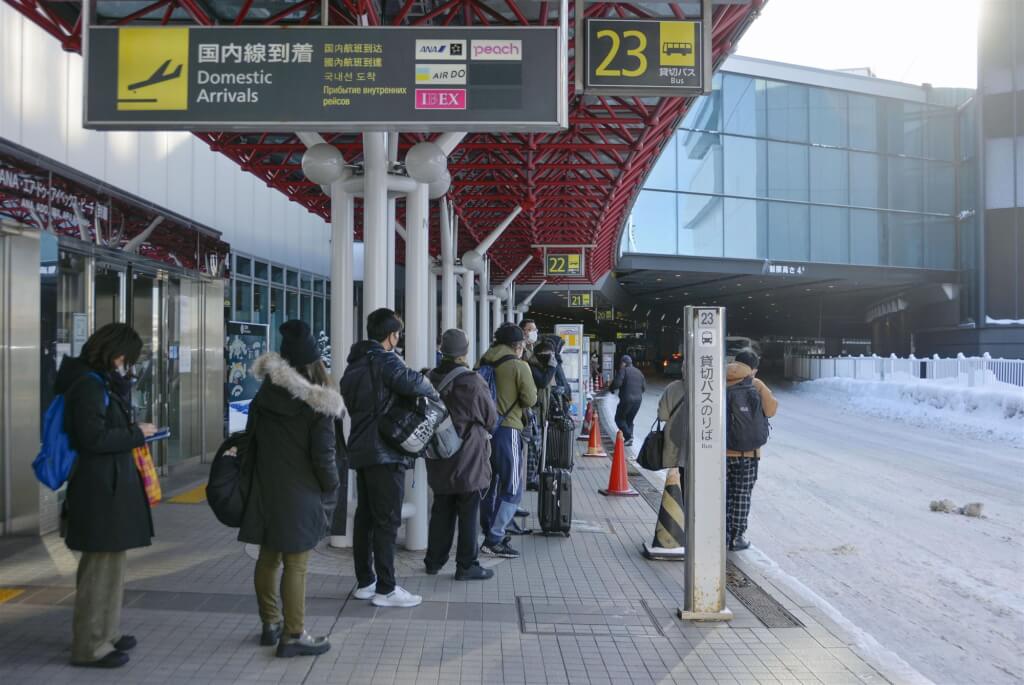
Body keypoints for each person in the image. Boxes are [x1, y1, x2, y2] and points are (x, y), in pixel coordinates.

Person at [239, 321, 341, 658]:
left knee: (268, 558)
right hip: (301, 492)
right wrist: (332, 486)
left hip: (266, 487)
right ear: (315, 364)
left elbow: (249, 442)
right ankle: (294, 634)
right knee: (296, 565)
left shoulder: (264, 395)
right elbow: (324, 456)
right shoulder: (319, 402)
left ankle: (271, 624)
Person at [59, 323, 157, 668]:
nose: (125, 365)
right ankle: (89, 646)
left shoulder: (100, 383)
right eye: (124, 359)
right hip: (97, 489)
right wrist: (136, 433)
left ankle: (107, 632)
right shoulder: (87, 386)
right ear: (113, 353)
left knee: (113, 566)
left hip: (109, 486)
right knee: (98, 571)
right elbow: (93, 439)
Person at [341, 308, 437, 608]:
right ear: (391, 336)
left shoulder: (353, 364)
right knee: (387, 520)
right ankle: (387, 588)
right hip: (384, 450)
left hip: (360, 447)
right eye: (398, 334)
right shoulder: (385, 361)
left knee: (366, 517)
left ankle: (366, 581)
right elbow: (421, 386)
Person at [424, 329, 498, 580]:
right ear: (465, 351)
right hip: (468, 457)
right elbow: (490, 418)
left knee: (441, 509)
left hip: (438, 454)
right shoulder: (473, 381)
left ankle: (433, 561)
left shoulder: (430, 378)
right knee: (468, 512)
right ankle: (467, 565)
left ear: (442, 349)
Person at [478, 323, 537, 559]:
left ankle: (487, 529)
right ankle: (494, 538)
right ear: (518, 345)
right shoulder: (518, 365)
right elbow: (530, 398)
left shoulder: (483, 361)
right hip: (508, 429)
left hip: (484, 432)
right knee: (512, 487)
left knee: (489, 485)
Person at [725, 350, 778, 551]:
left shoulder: (718, 380)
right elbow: (771, 410)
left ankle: (723, 532)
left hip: (721, 452)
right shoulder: (756, 384)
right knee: (742, 494)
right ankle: (737, 537)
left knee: (724, 494)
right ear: (753, 368)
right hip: (749, 454)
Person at [524, 339, 559, 489]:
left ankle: (532, 476)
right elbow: (543, 382)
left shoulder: (541, 365)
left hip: (540, 415)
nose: (551, 358)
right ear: (540, 354)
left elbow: (547, 391)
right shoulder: (531, 366)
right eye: (549, 354)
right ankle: (529, 479)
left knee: (537, 448)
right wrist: (552, 368)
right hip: (532, 415)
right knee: (532, 447)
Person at [609, 354, 646, 445]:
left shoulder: (624, 370)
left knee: (619, 419)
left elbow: (617, 383)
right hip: (638, 401)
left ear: (624, 363)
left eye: (621, 363)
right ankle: (629, 439)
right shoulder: (639, 372)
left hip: (627, 400)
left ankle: (629, 437)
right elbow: (644, 388)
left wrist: (611, 389)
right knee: (629, 420)